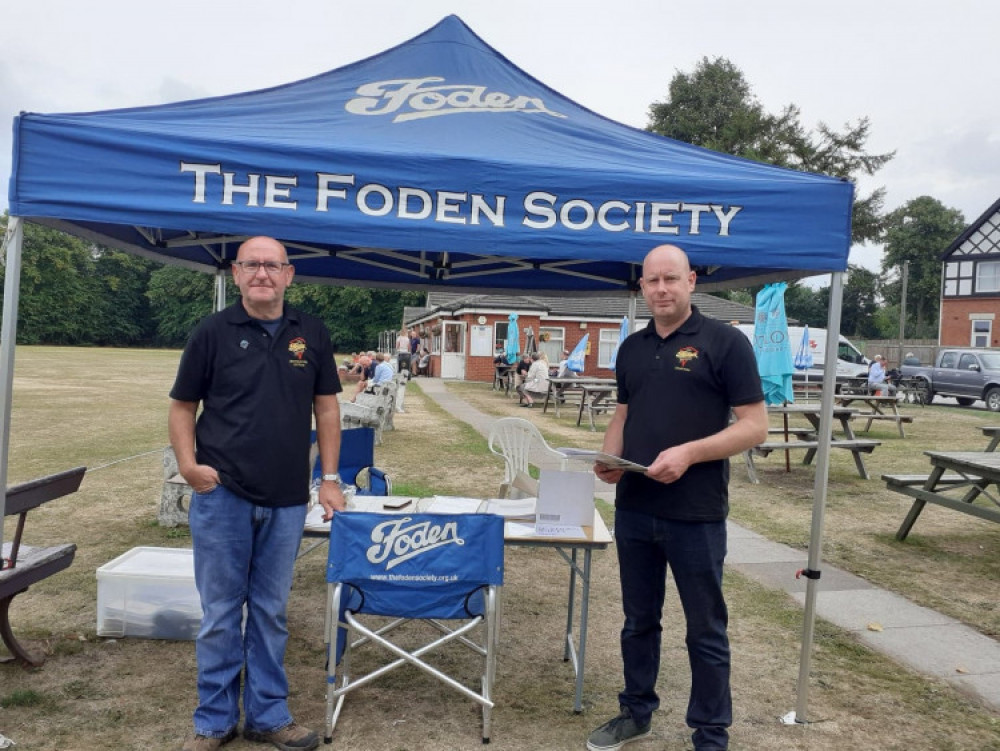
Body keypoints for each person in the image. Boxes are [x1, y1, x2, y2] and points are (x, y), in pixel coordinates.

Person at [587, 244, 767, 751]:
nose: (661, 289)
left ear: (691, 280)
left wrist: (689, 453)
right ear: (641, 287)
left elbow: (754, 427)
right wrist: (609, 458)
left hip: (697, 513)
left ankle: (710, 734)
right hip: (636, 509)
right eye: (652, 281)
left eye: (671, 279)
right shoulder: (632, 348)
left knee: (705, 629)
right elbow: (623, 414)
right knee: (638, 620)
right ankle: (635, 712)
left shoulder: (725, 342)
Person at [168, 236, 344, 751]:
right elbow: (182, 406)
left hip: (288, 498)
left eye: (272, 265)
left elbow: (327, 408)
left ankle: (268, 715)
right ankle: (213, 721)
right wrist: (188, 465)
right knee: (221, 613)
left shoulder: (310, 332)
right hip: (222, 494)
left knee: (269, 611)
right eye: (252, 265)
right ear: (237, 272)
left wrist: (329, 479)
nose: (262, 273)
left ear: (289, 274)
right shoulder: (212, 331)